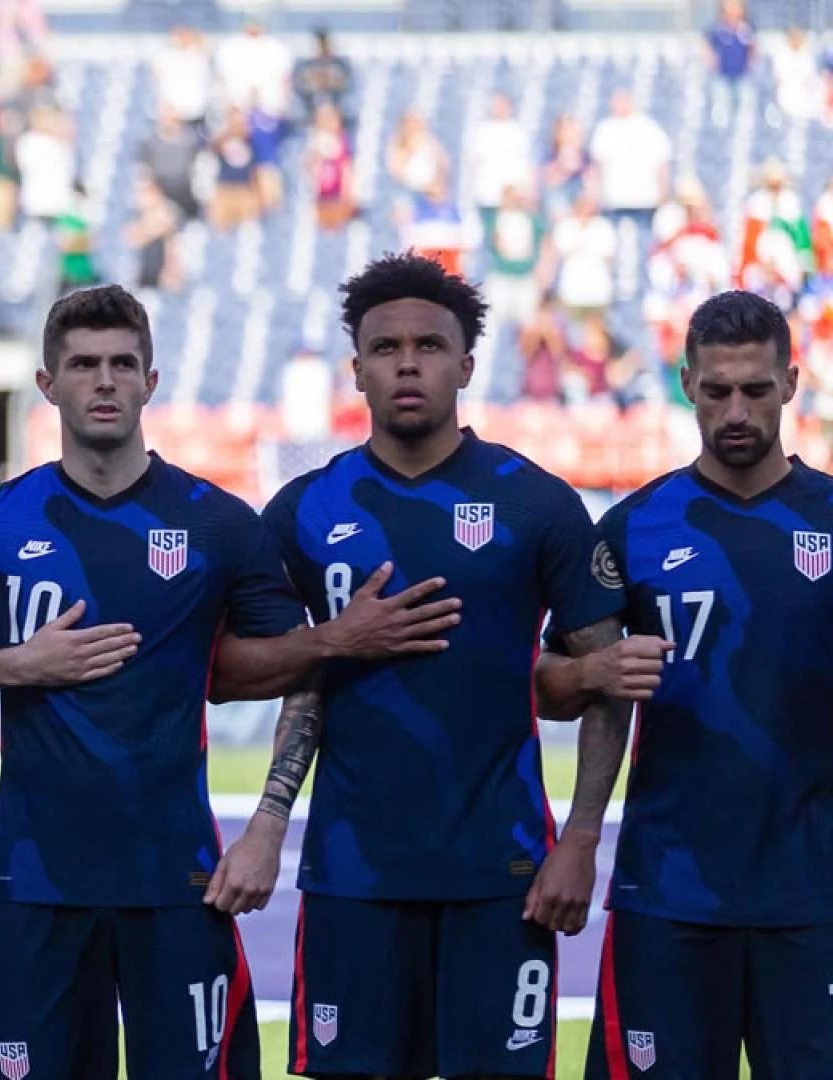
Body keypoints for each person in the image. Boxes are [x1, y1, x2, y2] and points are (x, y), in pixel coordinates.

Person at [0, 283, 461, 1080]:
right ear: (48, 385)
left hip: (179, 883)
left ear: (151, 382)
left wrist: (333, 642)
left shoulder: (219, 523)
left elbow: (267, 668)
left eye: (122, 363)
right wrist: (19, 663)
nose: (105, 380)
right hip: (36, 886)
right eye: (84, 364)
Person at [240, 252, 632, 1079]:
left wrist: (581, 839)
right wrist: (271, 818)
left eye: (429, 345)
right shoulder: (303, 511)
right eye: (385, 348)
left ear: (466, 365)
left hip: (503, 872)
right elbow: (264, 672)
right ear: (356, 369)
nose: (407, 363)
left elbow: (609, 680)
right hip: (353, 873)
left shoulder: (536, 502)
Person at [535, 290, 833, 1078]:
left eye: (756, 390)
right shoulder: (634, 527)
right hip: (668, 893)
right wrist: (594, 670)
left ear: (791, 383)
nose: (736, 411)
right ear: (687, 384)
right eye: (717, 390)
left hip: (814, 897)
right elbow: (549, 688)